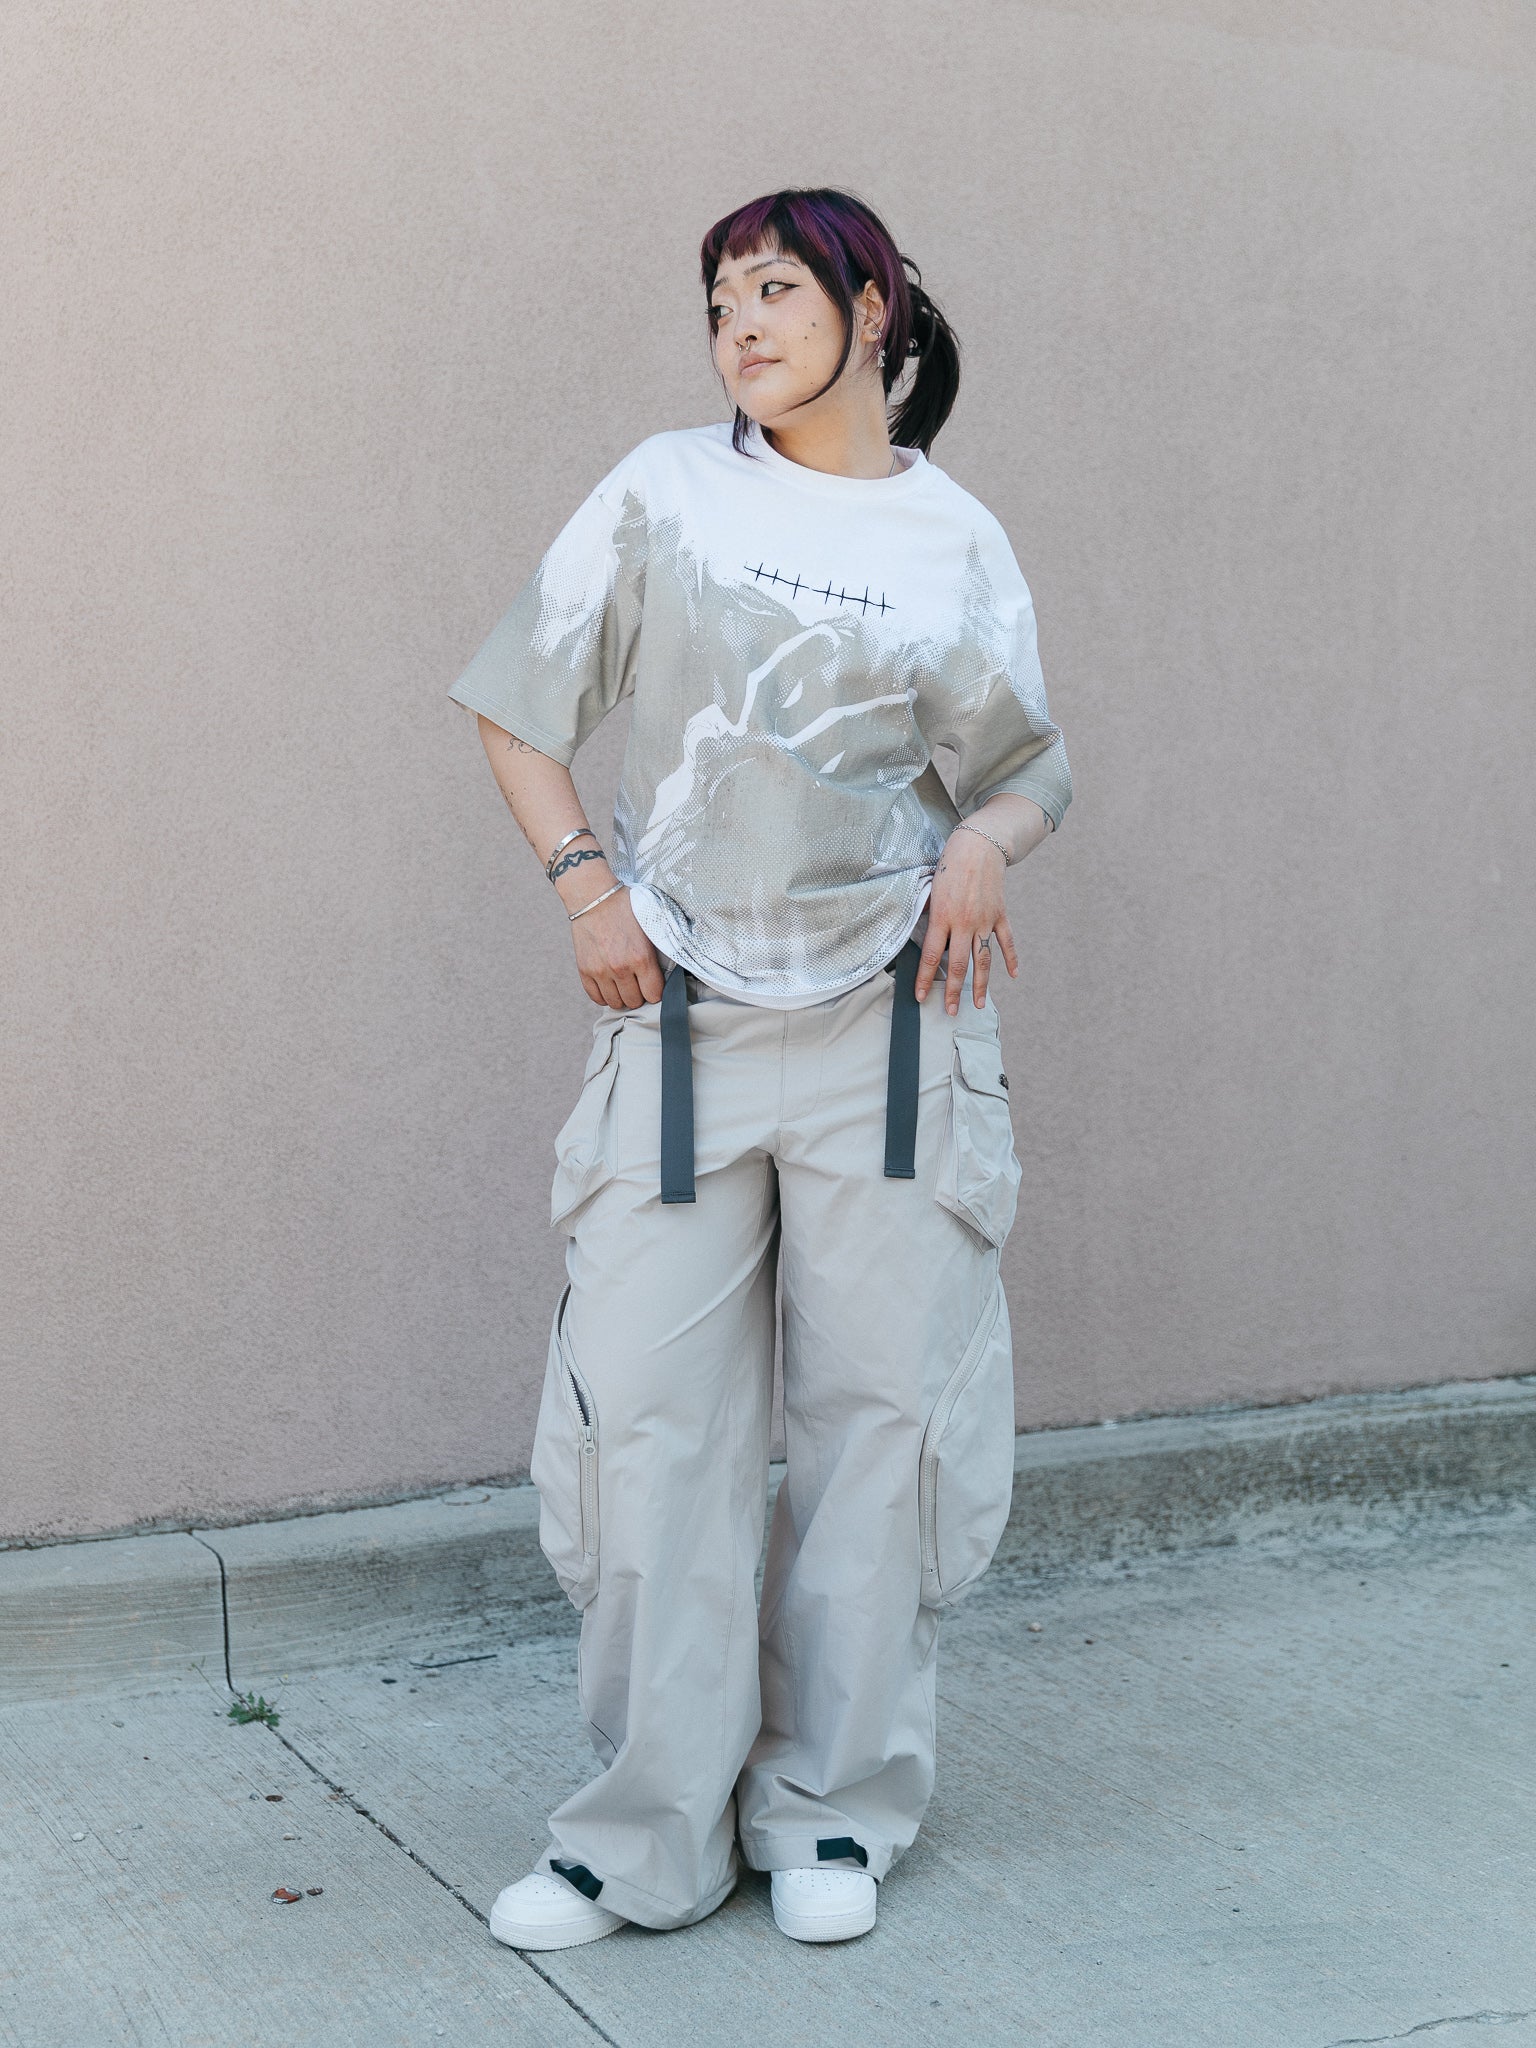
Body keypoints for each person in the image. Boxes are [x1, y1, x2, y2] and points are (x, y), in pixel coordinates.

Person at [446, 186, 1071, 1951]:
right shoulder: (665, 491)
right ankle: (640, 1836)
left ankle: (832, 1813)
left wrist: (985, 843)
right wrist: (587, 891)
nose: (740, 323)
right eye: (721, 298)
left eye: (777, 289)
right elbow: (518, 707)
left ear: (874, 313)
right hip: (681, 1035)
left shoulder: (954, 539)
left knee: (879, 1430)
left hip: (894, 1033)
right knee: (649, 1427)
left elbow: (1029, 765)